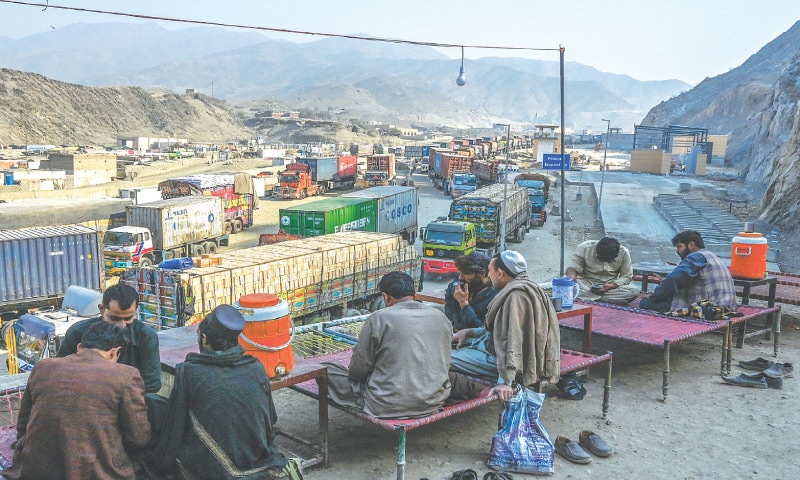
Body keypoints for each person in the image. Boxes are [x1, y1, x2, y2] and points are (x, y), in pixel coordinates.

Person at [144, 304, 293, 480]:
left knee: (151, 408)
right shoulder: (256, 367)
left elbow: (176, 425)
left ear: (204, 338)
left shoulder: (190, 371)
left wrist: (162, 463)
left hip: (217, 470)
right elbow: (271, 419)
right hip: (258, 461)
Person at [4, 321, 150, 480]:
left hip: (37, 468)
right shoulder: (126, 375)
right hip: (98, 473)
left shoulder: (42, 367)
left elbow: (23, 423)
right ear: (114, 352)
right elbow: (138, 437)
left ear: (80, 347)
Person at [325, 271, 481, 419]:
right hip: (432, 400)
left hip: (385, 404)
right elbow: (445, 362)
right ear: (414, 295)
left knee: (328, 369)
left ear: (385, 297)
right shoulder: (441, 317)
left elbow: (359, 369)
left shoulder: (378, 318)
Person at [451, 251, 561, 401]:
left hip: (503, 361)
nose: (489, 276)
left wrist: (506, 382)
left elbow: (512, 341)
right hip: (497, 350)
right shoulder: (531, 287)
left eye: (490, 271)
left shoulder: (515, 297)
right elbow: (499, 329)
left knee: (443, 357)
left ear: (500, 273)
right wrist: (469, 332)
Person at [57, 283, 162, 393]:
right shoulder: (77, 332)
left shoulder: (145, 336)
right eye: (114, 318)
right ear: (101, 309)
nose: (122, 325)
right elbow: (61, 372)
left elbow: (151, 384)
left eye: (128, 318)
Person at [640, 230, 736, 313]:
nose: (677, 251)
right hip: (727, 306)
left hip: (709, 309)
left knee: (645, 303)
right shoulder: (711, 255)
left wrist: (654, 297)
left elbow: (674, 279)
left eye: (679, 247)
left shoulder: (696, 257)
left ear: (691, 245)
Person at [565, 237, 640, 305]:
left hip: (609, 285)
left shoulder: (624, 252)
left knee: (634, 291)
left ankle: (592, 298)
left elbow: (627, 276)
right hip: (586, 283)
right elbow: (572, 267)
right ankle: (602, 300)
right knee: (566, 284)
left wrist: (610, 286)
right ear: (596, 250)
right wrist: (571, 279)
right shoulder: (585, 247)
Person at [444, 251, 497, 331]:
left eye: (465, 273)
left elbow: (481, 330)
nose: (460, 277)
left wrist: (464, 304)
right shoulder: (461, 283)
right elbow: (449, 301)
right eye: (460, 272)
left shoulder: (494, 297)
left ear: (482, 274)